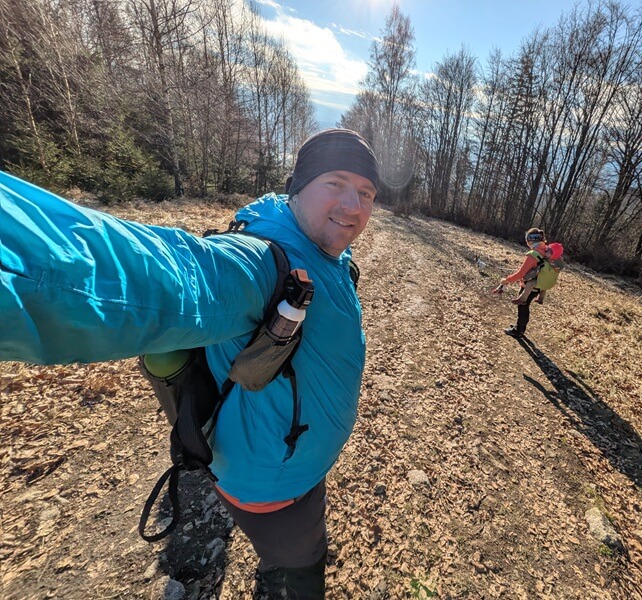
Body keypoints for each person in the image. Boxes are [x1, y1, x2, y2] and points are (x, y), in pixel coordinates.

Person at [0, 128, 379, 598]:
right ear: (297, 187)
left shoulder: (328, 255)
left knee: (287, 550)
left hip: (287, 459)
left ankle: (274, 566)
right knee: (305, 562)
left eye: (366, 193)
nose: (353, 206)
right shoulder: (259, 263)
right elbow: (150, 276)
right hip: (275, 485)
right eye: (336, 183)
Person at [498, 228, 547, 338]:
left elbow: (520, 274)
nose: (527, 244)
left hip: (528, 287)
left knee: (522, 306)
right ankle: (521, 327)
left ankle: (518, 331)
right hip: (539, 285)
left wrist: (506, 280)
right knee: (525, 306)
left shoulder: (533, 254)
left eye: (527, 241)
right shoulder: (546, 250)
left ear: (530, 240)